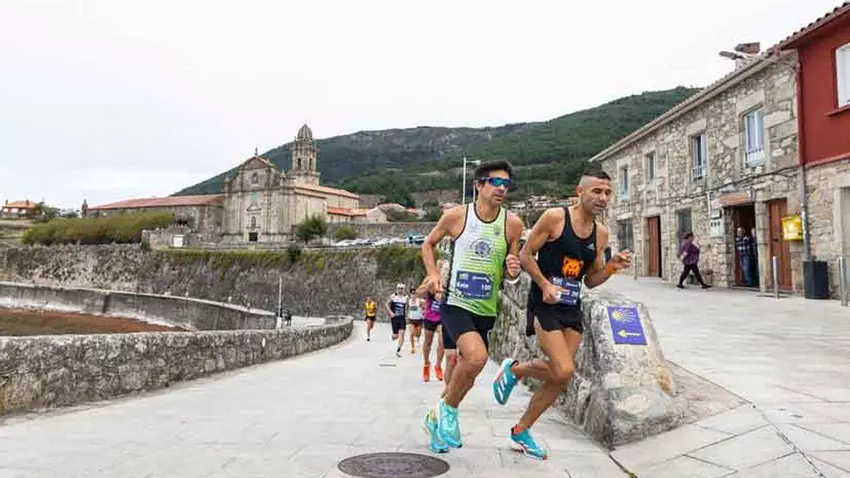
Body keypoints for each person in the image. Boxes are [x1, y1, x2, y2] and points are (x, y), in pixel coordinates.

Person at [491, 171, 632, 460]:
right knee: (564, 369)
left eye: (607, 192)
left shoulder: (601, 233)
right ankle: (515, 371)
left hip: (571, 306)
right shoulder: (555, 218)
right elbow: (526, 255)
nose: (603, 198)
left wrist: (612, 267)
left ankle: (521, 429)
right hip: (544, 303)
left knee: (560, 377)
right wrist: (544, 285)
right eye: (596, 191)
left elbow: (590, 280)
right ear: (579, 192)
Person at [420, 159, 523, 454]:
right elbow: (428, 244)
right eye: (496, 183)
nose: (502, 189)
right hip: (455, 302)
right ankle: (449, 412)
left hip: (486, 309)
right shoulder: (457, 216)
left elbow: (510, 271)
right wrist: (432, 274)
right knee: (477, 358)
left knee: (466, 376)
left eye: (506, 184)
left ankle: (436, 418)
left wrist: (513, 271)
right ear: (478, 185)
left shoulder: (512, 224)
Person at [417, 282, 445, 382]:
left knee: (442, 341)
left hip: (441, 319)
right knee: (428, 341)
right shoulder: (432, 286)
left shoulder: (447, 286)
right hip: (429, 318)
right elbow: (419, 292)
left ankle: (438, 365)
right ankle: (426, 364)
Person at [386, 283, 408, 357]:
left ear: (403, 289)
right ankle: (394, 336)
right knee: (395, 336)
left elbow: (408, 307)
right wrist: (391, 312)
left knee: (402, 335)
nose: (400, 290)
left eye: (401, 289)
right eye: (399, 288)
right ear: (396, 289)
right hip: (394, 318)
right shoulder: (393, 296)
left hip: (402, 318)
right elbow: (386, 304)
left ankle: (398, 350)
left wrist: (407, 315)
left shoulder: (406, 297)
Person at [407, 287, 424, 354]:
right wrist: (407, 315)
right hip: (411, 319)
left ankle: (417, 339)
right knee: (412, 333)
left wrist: (423, 310)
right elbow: (408, 308)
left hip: (419, 319)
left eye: (414, 293)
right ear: (410, 294)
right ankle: (412, 348)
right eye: (412, 293)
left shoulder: (419, 301)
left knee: (418, 332)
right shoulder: (409, 301)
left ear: (416, 294)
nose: (413, 295)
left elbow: (425, 305)